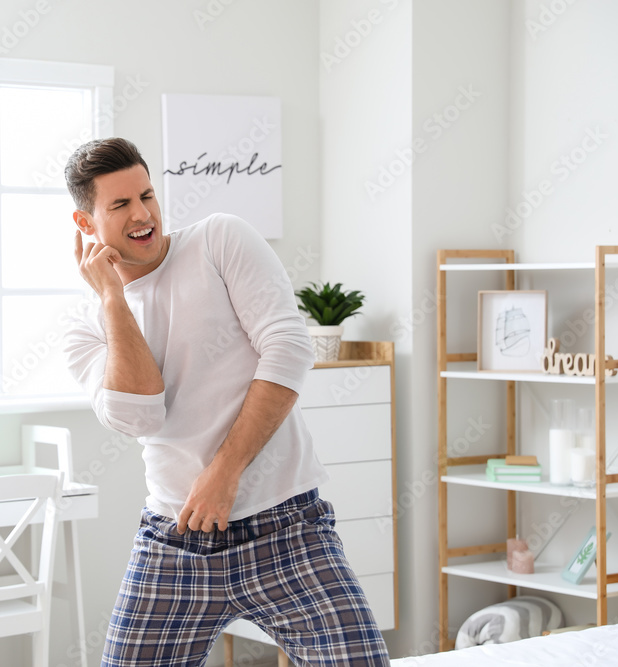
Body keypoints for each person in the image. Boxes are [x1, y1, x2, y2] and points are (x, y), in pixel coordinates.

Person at [63, 137, 389, 666]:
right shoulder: (85, 328)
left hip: (287, 528)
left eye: (146, 195)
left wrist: (225, 472)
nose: (143, 214)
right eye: (120, 205)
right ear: (85, 223)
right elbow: (141, 414)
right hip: (176, 539)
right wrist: (113, 299)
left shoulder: (219, 239)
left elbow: (288, 348)